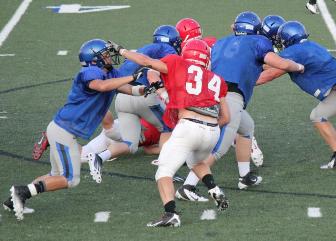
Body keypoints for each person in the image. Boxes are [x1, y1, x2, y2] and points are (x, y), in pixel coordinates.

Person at [3, 39, 146, 221]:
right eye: (105, 55)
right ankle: (21, 191)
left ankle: (13, 199)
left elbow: (126, 88)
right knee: (70, 179)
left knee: (56, 175)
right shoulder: (90, 72)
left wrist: (144, 90)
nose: (109, 57)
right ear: (94, 59)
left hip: (62, 129)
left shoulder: (109, 73)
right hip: (64, 131)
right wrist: (133, 77)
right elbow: (101, 86)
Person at [176, 12, 304, 201]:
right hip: (230, 96)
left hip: (213, 92)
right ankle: (188, 186)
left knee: (247, 128)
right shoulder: (258, 42)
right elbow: (281, 63)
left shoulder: (220, 43)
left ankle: (245, 176)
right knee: (219, 148)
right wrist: (298, 67)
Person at [109, 38, 231, 227]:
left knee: (163, 171)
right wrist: (210, 128)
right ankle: (214, 189)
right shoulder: (217, 79)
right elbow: (226, 118)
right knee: (196, 162)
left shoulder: (177, 62)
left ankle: (170, 213)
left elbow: (146, 61)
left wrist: (122, 51)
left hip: (189, 125)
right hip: (213, 131)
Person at [87, 25, 181, 183]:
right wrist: (163, 94)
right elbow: (152, 73)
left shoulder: (140, 51)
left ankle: (99, 157)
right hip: (144, 96)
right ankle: (166, 172)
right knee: (170, 128)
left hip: (122, 98)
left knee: (130, 143)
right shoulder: (167, 50)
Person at [257, 21, 336, 169]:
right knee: (318, 116)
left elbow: (271, 72)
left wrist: (244, 82)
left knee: (318, 116)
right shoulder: (310, 46)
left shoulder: (296, 51)